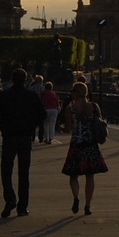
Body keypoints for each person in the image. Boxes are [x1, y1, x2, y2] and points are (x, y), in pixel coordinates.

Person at [0, 68, 46, 217]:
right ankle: (22, 206)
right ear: (26, 80)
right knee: (23, 172)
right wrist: (31, 125)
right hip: (25, 136)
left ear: (12, 79)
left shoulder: (5, 95)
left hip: (9, 136)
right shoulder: (31, 96)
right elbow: (42, 114)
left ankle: (10, 198)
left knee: (6, 170)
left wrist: (3, 124)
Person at [59, 81, 107, 215]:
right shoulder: (93, 106)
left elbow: (68, 129)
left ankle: (76, 198)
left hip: (76, 144)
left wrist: (61, 128)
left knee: (73, 175)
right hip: (90, 144)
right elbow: (99, 122)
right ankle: (88, 205)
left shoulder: (70, 108)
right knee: (89, 176)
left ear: (75, 93)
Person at [40, 80, 61, 145]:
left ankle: (46, 137)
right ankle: (51, 138)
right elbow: (57, 102)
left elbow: (42, 101)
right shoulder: (54, 93)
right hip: (54, 109)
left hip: (46, 109)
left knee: (46, 124)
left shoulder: (44, 93)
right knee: (52, 124)